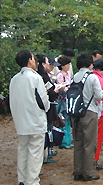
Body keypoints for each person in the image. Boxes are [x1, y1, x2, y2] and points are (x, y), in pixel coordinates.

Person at [9, 50, 50, 185]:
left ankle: (22, 179)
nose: (35, 61)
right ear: (29, 60)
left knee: (23, 149)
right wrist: (47, 105)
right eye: (33, 59)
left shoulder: (14, 79)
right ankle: (32, 181)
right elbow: (43, 101)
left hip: (21, 120)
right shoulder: (35, 78)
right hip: (35, 120)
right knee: (35, 152)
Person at [72, 52, 103, 182]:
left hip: (76, 114)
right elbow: (99, 96)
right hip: (89, 112)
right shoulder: (92, 77)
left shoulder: (74, 76)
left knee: (78, 142)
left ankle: (78, 171)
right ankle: (88, 172)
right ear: (90, 64)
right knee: (89, 143)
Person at [36, 54, 63, 161]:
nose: (50, 66)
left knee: (48, 129)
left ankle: (46, 153)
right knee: (47, 130)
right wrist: (55, 91)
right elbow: (48, 91)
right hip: (48, 105)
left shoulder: (41, 75)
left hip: (47, 105)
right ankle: (45, 155)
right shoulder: (43, 76)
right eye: (48, 63)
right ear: (43, 64)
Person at [56, 56, 74, 149]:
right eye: (67, 64)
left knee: (67, 120)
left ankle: (68, 140)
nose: (68, 66)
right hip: (63, 100)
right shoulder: (60, 75)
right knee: (63, 119)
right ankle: (64, 141)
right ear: (62, 66)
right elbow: (61, 87)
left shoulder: (67, 75)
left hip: (68, 99)